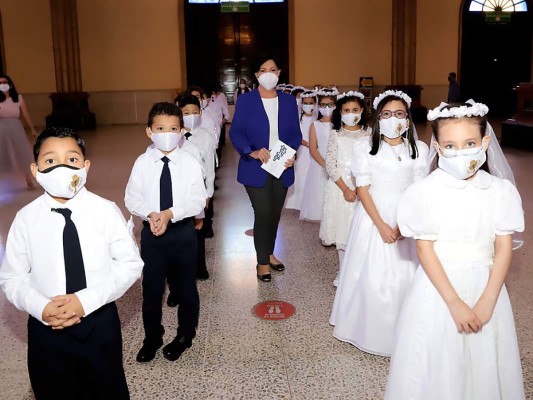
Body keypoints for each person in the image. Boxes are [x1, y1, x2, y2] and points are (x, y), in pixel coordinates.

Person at [385, 100, 526, 399]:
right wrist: (454, 302)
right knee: (437, 361)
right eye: (451, 145)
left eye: (470, 143)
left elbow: (503, 247)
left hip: (486, 286)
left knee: (484, 362)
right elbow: (425, 250)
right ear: (436, 147)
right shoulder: (424, 192)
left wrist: (488, 300)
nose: (461, 153)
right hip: (439, 290)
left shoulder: (500, 191)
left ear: (485, 142)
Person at [0, 127, 143, 399]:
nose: (62, 168)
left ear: (86, 166)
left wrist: (85, 301)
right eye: (50, 161)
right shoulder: (26, 219)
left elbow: (129, 264)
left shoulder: (105, 211)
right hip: (46, 329)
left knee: (107, 388)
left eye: (72, 160)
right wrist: (41, 307)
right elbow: (12, 278)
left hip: (99, 322)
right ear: (35, 170)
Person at [329, 90, 429, 356]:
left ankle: (407, 331)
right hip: (373, 216)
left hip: (406, 216)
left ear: (407, 120)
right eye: (386, 114)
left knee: (407, 275)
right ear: (377, 119)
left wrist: (404, 224)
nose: (392, 119)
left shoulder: (419, 150)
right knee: (372, 274)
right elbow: (363, 190)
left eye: (398, 114)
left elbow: (420, 191)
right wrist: (382, 225)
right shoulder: (366, 149)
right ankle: (369, 330)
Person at [125, 102, 207, 363]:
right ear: (149, 131)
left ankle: (185, 334)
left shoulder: (190, 161)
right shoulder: (142, 162)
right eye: (160, 128)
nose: (167, 133)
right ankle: (152, 336)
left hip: (182, 233)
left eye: (173, 128)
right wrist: (150, 214)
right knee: (151, 290)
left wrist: (169, 213)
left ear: (181, 131)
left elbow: (198, 200)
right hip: (152, 233)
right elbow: (131, 198)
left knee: (185, 288)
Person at [229, 54, 302, 282]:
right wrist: (251, 151)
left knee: (274, 213)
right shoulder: (247, 100)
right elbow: (236, 132)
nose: (268, 73)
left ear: (279, 73)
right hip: (256, 166)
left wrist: (291, 155)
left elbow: (294, 134)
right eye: (263, 70)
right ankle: (262, 262)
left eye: (273, 69)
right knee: (262, 213)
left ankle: (269, 253)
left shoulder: (289, 101)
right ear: (257, 75)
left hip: (282, 165)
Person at [319, 91, 371, 285]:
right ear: (340, 113)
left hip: (364, 188)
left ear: (362, 111)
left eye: (355, 110)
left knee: (361, 231)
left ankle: (360, 271)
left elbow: (373, 162)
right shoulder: (336, 135)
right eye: (347, 110)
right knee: (342, 231)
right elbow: (330, 165)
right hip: (340, 188)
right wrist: (346, 189)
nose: (351, 114)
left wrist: (360, 187)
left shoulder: (369, 134)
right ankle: (343, 271)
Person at [299, 87, 338, 221]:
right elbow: (313, 149)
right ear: (319, 106)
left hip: (337, 161)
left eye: (330, 105)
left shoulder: (339, 125)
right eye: (323, 105)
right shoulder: (315, 125)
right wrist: (326, 165)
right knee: (318, 190)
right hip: (319, 162)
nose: (327, 108)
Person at [0, 74, 38, 189]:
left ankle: (28, 179)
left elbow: (25, 114)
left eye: (4, 82)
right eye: (0, 83)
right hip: (2, 127)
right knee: (2, 152)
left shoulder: (18, 98)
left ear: (10, 84)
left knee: (21, 151)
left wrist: (32, 128)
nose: (2, 85)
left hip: (16, 126)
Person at [284, 89, 317, 210]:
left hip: (314, 151)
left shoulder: (317, 118)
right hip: (302, 150)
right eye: (305, 103)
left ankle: (311, 202)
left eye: (311, 103)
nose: (308, 106)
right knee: (301, 175)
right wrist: (307, 144)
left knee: (312, 176)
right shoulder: (298, 118)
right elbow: (295, 134)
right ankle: (298, 203)